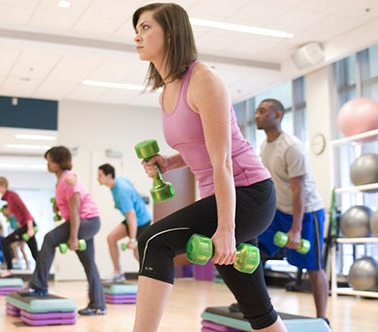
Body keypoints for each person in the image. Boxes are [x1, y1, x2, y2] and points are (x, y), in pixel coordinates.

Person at [131, 3, 287, 332]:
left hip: (249, 195)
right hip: (225, 198)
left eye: (145, 27)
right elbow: (196, 150)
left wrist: (227, 229)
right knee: (257, 309)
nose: (137, 36)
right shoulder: (166, 91)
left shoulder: (203, 80)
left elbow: (223, 161)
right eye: (137, 28)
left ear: (171, 33)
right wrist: (167, 161)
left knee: (152, 240)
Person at [254, 98, 329, 322]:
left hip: (307, 213)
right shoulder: (265, 146)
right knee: (255, 252)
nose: (257, 115)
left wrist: (295, 230)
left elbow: (299, 192)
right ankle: (255, 304)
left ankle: (322, 319)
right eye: (257, 111)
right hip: (278, 211)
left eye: (263, 111)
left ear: (278, 115)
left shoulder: (292, 147)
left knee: (314, 267)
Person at [18, 146, 106, 317]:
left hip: (86, 221)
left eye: (50, 160)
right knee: (89, 263)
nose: (48, 164)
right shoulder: (61, 180)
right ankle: (98, 305)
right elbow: (67, 205)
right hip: (88, 222)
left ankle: (38, 286)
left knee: (49, 238)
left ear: (58, 162)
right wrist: (56, 206)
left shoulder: (69, 179)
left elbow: (75, 210)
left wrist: (73, 237)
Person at [97, 163, 151, 283]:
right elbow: (131, 183)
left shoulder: (120, 191)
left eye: (100, 175)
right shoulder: (118, 181)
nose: (98, 178)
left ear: (109, 176)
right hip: (134, 219)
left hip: (141, 221)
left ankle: (153, 276)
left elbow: (131, 215)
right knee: (111, 238)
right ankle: (118, 272)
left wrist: (132, 240)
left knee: (137, 253)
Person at [0, 177, 38, 278]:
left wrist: (30, 228)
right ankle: (41, 272)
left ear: (3, 186)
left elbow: (25, 211)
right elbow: (17, 212)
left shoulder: (12, 196)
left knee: (5, 242)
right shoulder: (8, 198)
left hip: (28, 225)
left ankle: (9, 270)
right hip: (25, 225)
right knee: (35, 253)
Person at [1, 205, 31, 270]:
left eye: (5, 211)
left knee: (21, 248)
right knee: (15, 245)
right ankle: (18, 258)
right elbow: (6, 216)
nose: (4, 213)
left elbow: (20, 224)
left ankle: (26, 263)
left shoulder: (14, 216)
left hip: (21, 233)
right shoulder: (10, 217)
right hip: (17, 233)